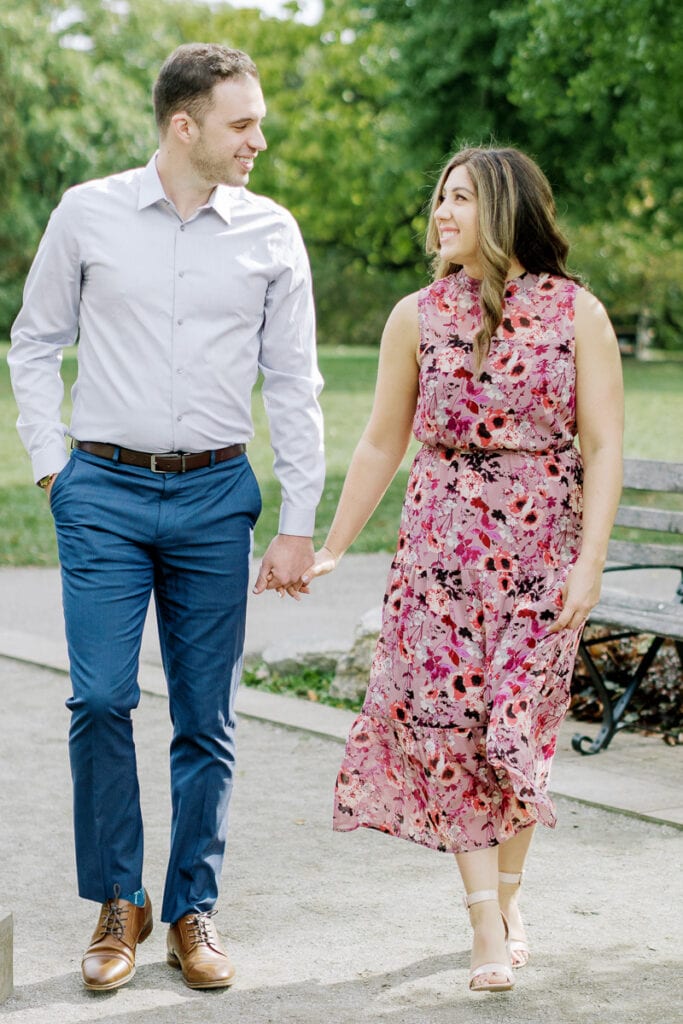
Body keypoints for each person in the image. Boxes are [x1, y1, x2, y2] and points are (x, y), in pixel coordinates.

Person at [8, 43, 324, 992]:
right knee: (100, 698)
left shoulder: (272, 233)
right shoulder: (87, 212)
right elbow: (35, 343)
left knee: (206, 717)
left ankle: (192, 907)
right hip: (100, 491)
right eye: (242, 123)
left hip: (214, 496)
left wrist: (298, 519)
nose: (258, 140)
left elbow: (294, 383)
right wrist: (50, 465)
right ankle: (117, 900)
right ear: (183, 125)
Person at [303, 146, 623, 993]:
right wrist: (335, 542)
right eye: (438, 198)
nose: (440, 214)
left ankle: (510, 895)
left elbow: (602, 444)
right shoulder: (415, 314)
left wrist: (590, 562)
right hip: (438, 562)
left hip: (541, 560)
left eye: (460, 200)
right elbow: (381, 440)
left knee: (517, 735)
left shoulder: (576, 314)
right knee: (452, 737)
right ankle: (484, 917)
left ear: (506, 209)